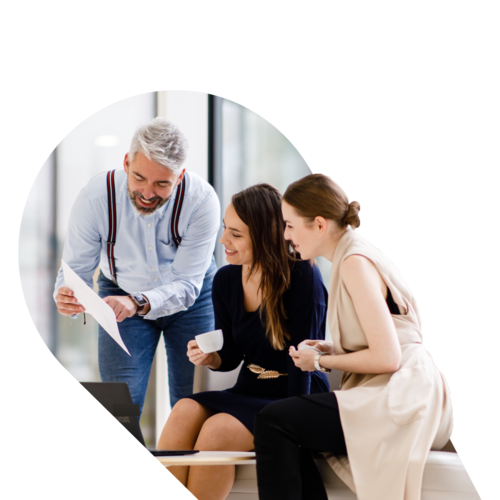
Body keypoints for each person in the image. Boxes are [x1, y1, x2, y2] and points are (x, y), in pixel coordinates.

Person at [253, 172, 455, 500]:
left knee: (274, 421)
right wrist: (333, 348)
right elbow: (390, 338)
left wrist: (320, 361)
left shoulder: (353, 262)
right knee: (286, 423)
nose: (286, 235)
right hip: (409, 385)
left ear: (319, 224)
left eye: (289, 225)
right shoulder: (359, 251)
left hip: (404, 392)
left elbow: (387, 357)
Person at [156, 184, 330, 499]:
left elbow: (304, 360)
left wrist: (295, 421)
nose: (223, 240)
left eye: (235, 234)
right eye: (225, 229)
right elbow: (232, 355)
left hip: (295, 392)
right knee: (183, 409)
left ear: (265, 236)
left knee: (218, 430)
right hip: (250, 387)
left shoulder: (303, 276)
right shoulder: (225, 280)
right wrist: (212, 358)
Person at [53, 117, 220, 414]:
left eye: (162, 183)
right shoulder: (95, 198)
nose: (147, 193)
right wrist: (66, 294)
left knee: (193, 404)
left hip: (193, 299)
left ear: (179, 176)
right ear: (127, 163)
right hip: (119, 293)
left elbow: (186, 285)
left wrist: (138, 302)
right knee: (119, 404)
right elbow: (75, 270)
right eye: (139, 178)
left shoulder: (202, 201)